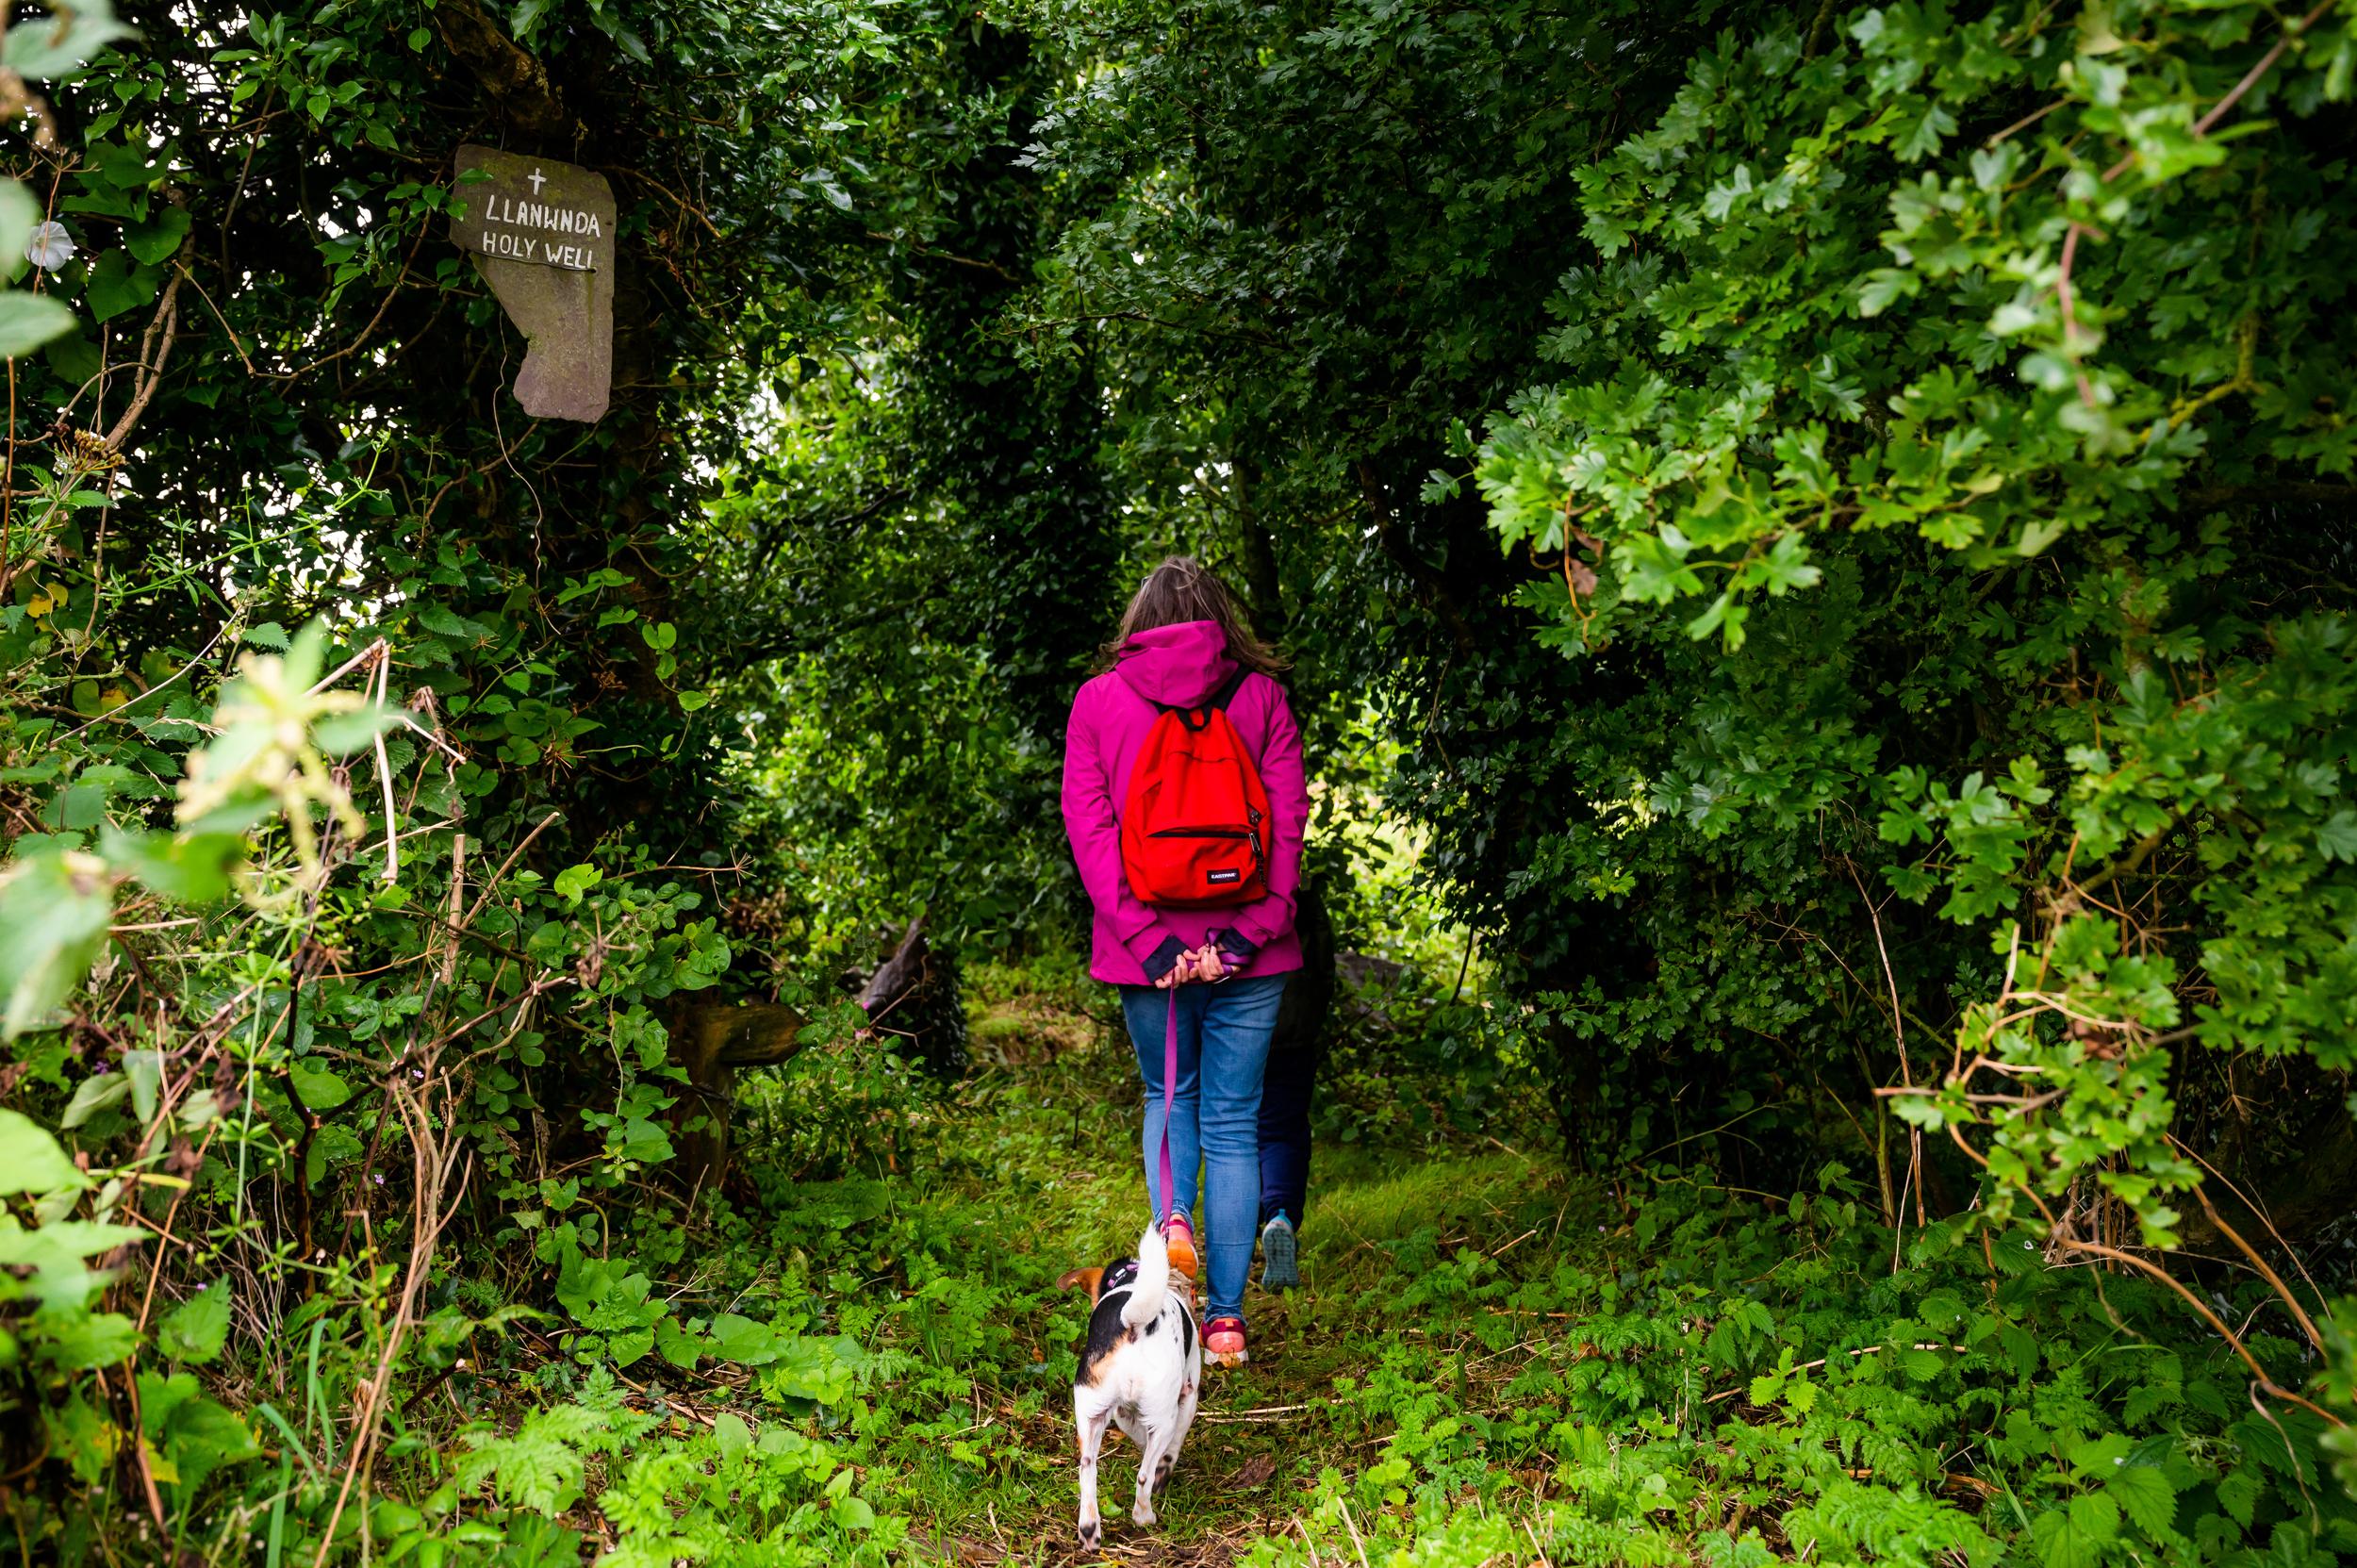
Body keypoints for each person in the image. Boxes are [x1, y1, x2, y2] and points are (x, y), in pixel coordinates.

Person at [1061, 557, 1309, 1367]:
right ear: (1217, 620)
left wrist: (1150, 941)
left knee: (1171, 1090)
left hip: (1148, 954)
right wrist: (1246, 934)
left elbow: (1091, 832)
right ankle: (1228, 1320)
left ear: (1139, 622)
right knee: (1236, 1121)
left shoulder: (1098, 702)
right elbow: (1289, 822)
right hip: (1251, 946)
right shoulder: (1261, 697)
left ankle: (1175, 1230)